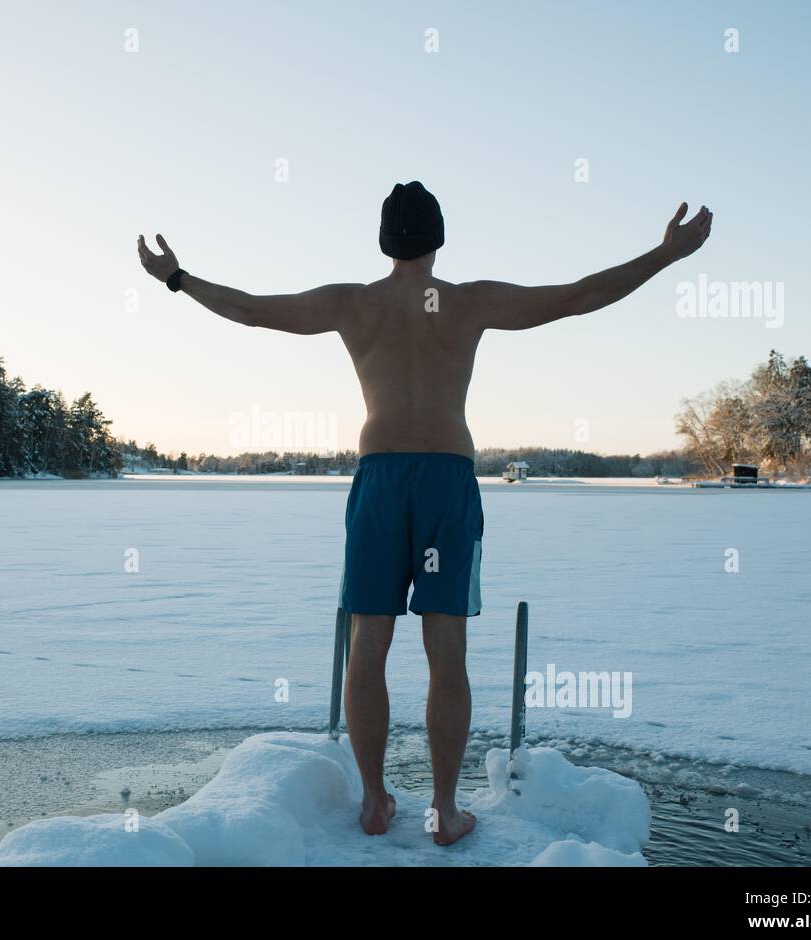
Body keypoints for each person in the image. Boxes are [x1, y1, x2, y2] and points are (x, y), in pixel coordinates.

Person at [137, 181, 711, 845]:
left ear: (384, 240)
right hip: (445, 479)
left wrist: (176, 277)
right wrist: (665, 254)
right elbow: (579, 296)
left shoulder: (353, 304)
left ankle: (377, 801)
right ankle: (443, 808)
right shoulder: (467, 303)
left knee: (367, 649)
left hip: (380, 479)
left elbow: (252, 312)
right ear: (438, 237)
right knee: (447, 653)